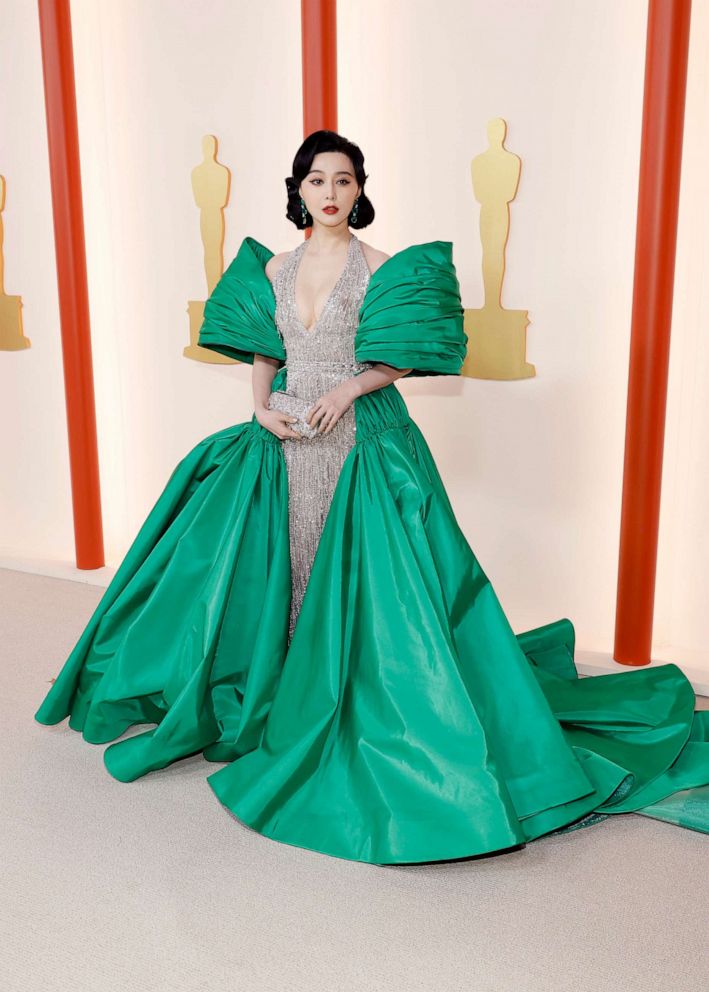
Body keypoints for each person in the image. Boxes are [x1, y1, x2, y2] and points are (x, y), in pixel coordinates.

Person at [35, 130, 709, 866]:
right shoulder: (275, 268)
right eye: (317, 180)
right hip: (285, 439)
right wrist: (260, 409)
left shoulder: (381, 266)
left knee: (374, 584)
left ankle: (355, 701)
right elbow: (266, 351)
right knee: (282, 568)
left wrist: (350, 388)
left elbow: (396, 356)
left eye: (344, 180)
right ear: (297, 189)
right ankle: (283, 690)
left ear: (359, 191)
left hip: (361, 438)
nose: (330, 193)